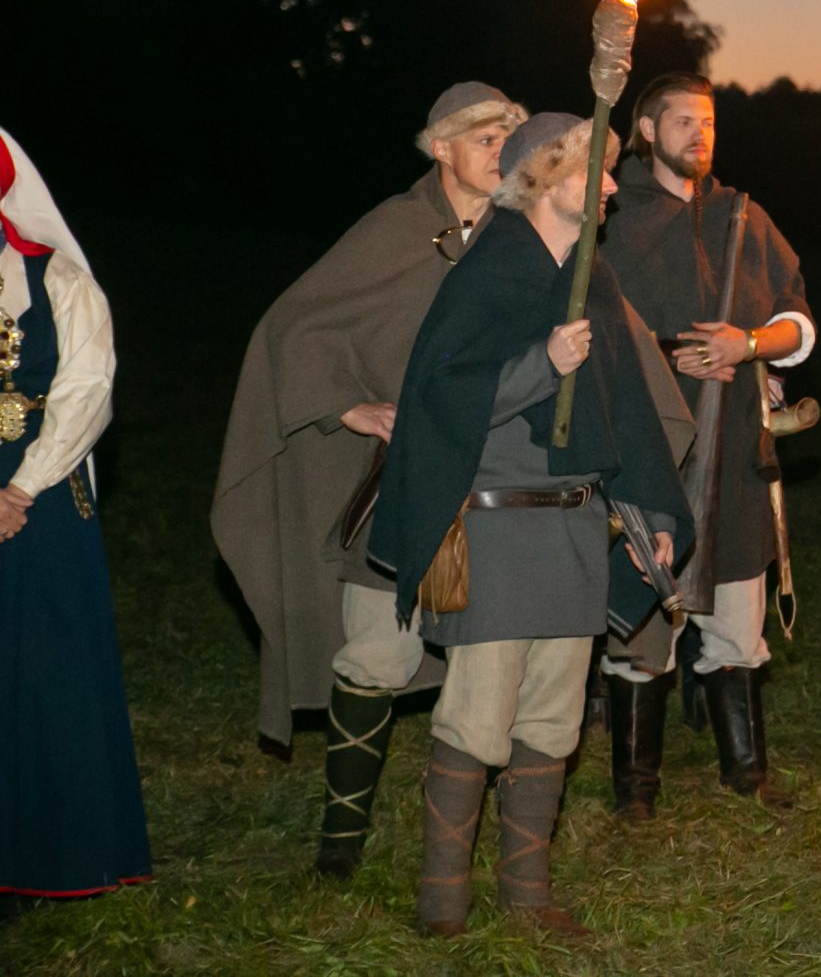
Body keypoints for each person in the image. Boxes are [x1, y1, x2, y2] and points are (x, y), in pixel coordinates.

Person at [369, 113, 691, 938]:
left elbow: (627, 410)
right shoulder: (489, 270)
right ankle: (442, 900)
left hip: (576, 533)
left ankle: (527, 894)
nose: (613, 186)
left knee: (552, 720)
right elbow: (441, 399)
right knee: (476, 719)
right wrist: (539, 364)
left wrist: (653, 511)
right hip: (497, 534)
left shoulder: (594, 278)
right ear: (545, 175)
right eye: (598, 170)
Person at [211, 81, 524, 875]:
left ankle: (460, 853)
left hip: (502, 483)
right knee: (377, 649)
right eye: (484, 138)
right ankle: (339, 845)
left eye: (508, 137)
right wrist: (345, 405)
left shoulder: (525, 233)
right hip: (409, 481)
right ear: (440, 147)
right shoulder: (397, 228)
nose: (501, 152)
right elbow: (295, 323)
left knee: (496, 657)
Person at [598, 73, 813, 815]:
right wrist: (663, 358)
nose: (700, 133)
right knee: (642, 628)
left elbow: (796, 322)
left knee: (737, 620)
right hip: (648, 444)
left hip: (734, 451)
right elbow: (587, 326)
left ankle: (746, 774)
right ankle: (635, 788)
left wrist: (746, 344)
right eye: (683, 120)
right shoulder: (613, 216)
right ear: (647, 130)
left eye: (709, 120)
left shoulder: (742, 215)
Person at [0, 128, 151, 915]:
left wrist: (19, 487)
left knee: (40, 663)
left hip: (41, 494)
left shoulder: (61, 280)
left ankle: (47, 854)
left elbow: (88, 389)